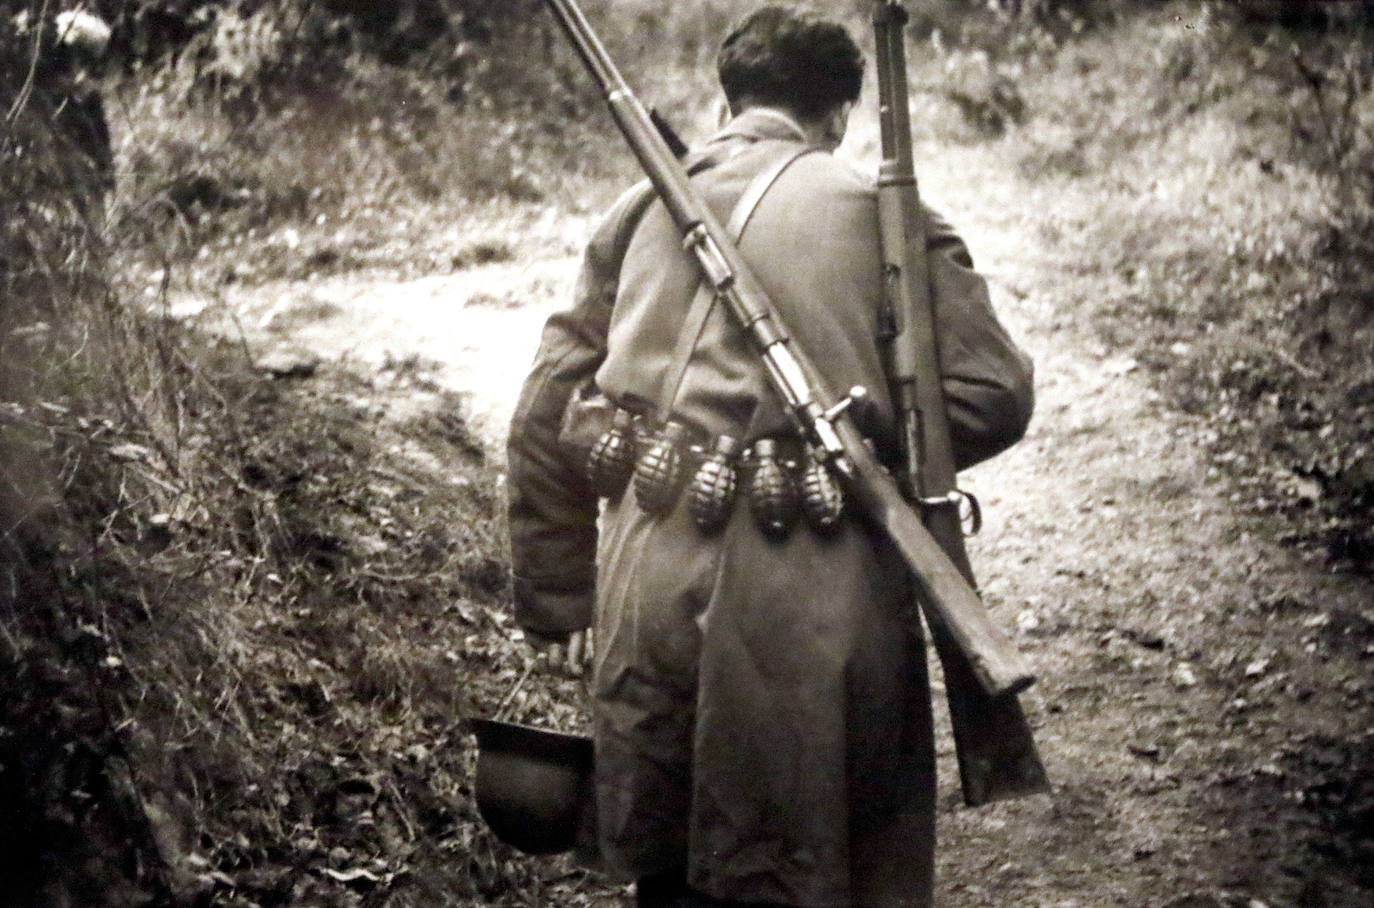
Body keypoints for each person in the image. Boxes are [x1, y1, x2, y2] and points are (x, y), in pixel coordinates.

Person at [506, 6, 1035, 906]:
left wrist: (558, 596)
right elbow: (994, 393)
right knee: (814, 859)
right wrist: (863, 455)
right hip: (817, 597)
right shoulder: (888, 219)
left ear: (730, 100)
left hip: (648, 581)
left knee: (668, 860)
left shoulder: (638, 207)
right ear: (837, 116)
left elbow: (545, 410)